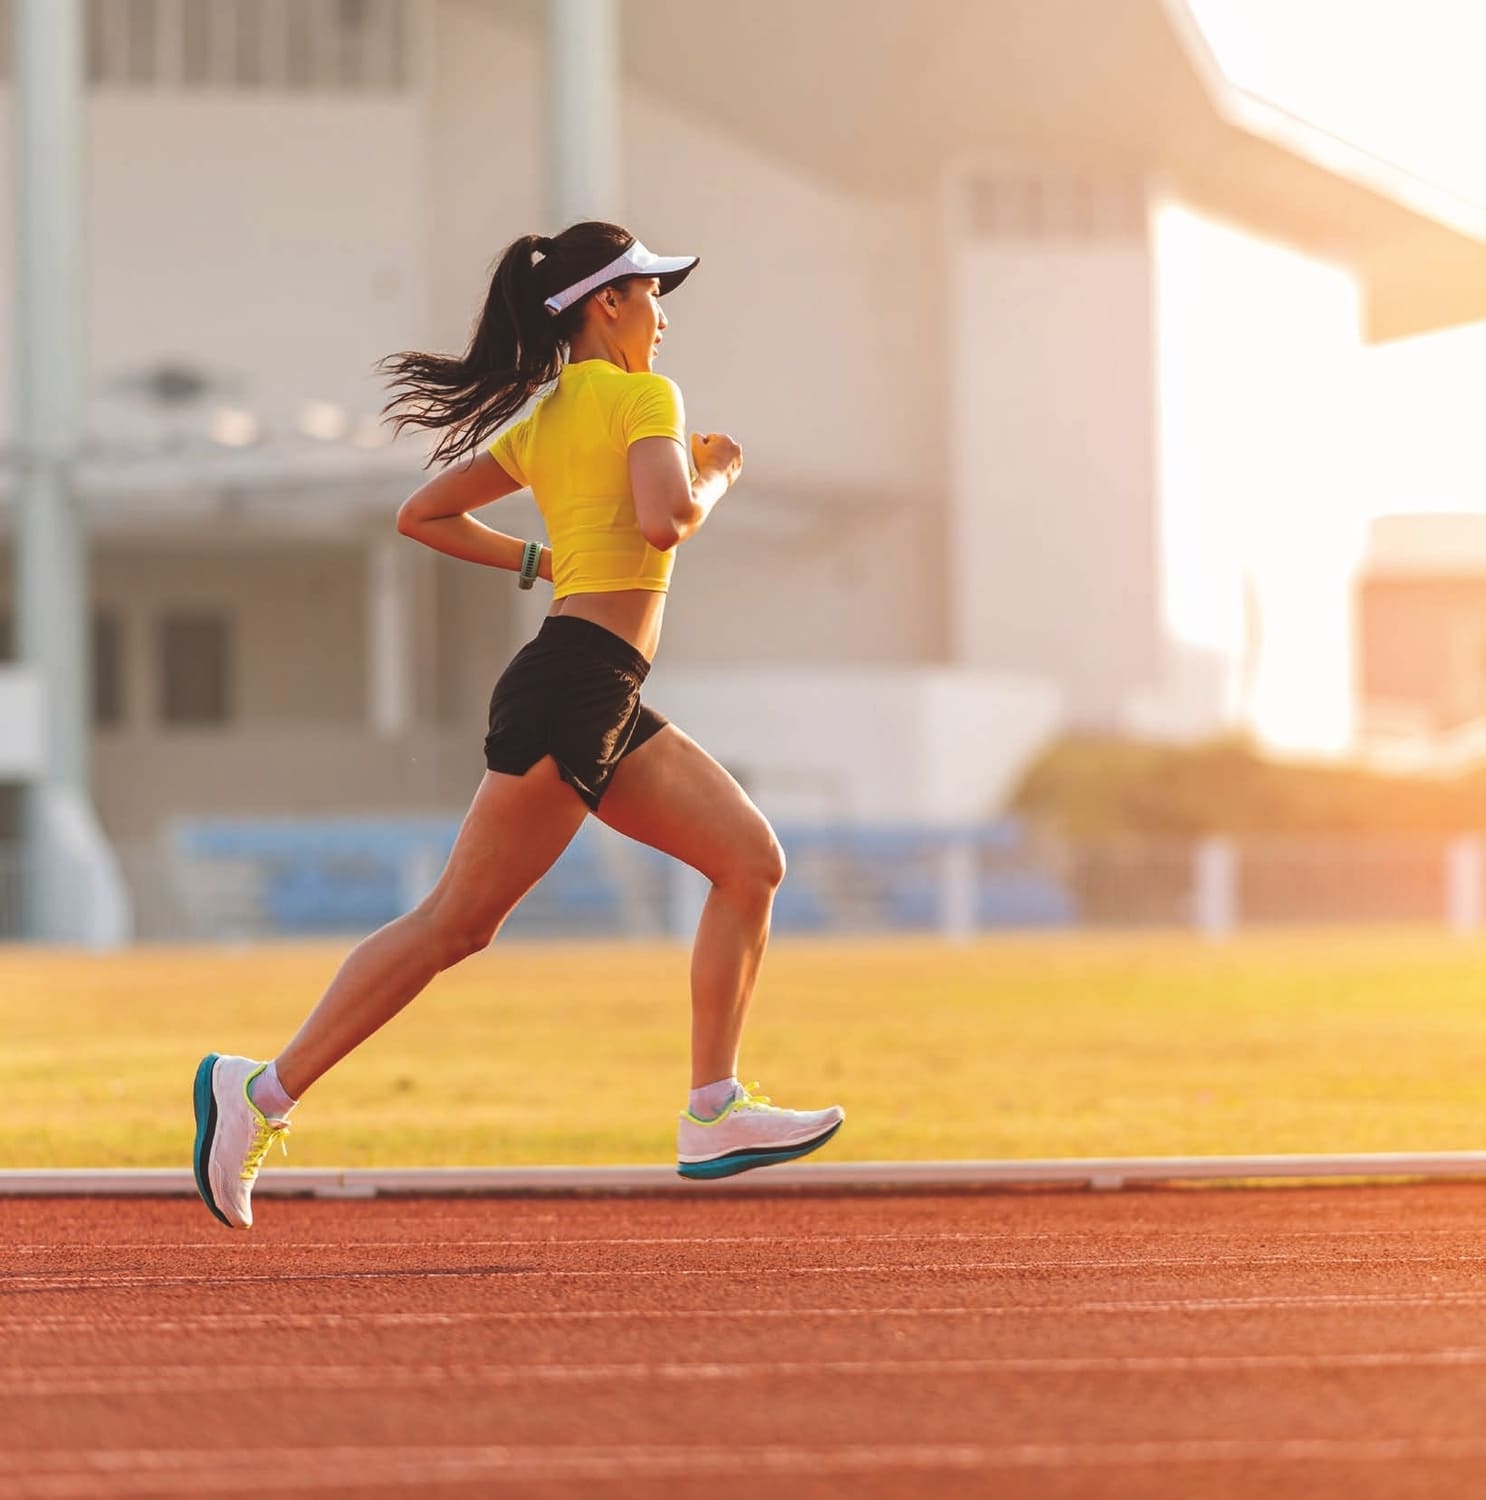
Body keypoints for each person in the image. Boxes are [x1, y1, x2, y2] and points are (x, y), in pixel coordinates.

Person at [192, 221, 844, 1229]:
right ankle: (259, 1093)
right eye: (651, 295)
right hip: (575, 687)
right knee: (457, 922)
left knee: (750, 861)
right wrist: (717, 470)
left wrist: (541, 564)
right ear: (606, 304)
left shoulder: (551, 414)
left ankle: (713, 1109)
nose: (664, 318)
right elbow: (669, 519)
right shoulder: (644, 398)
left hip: (598, 685)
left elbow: (425, 516)